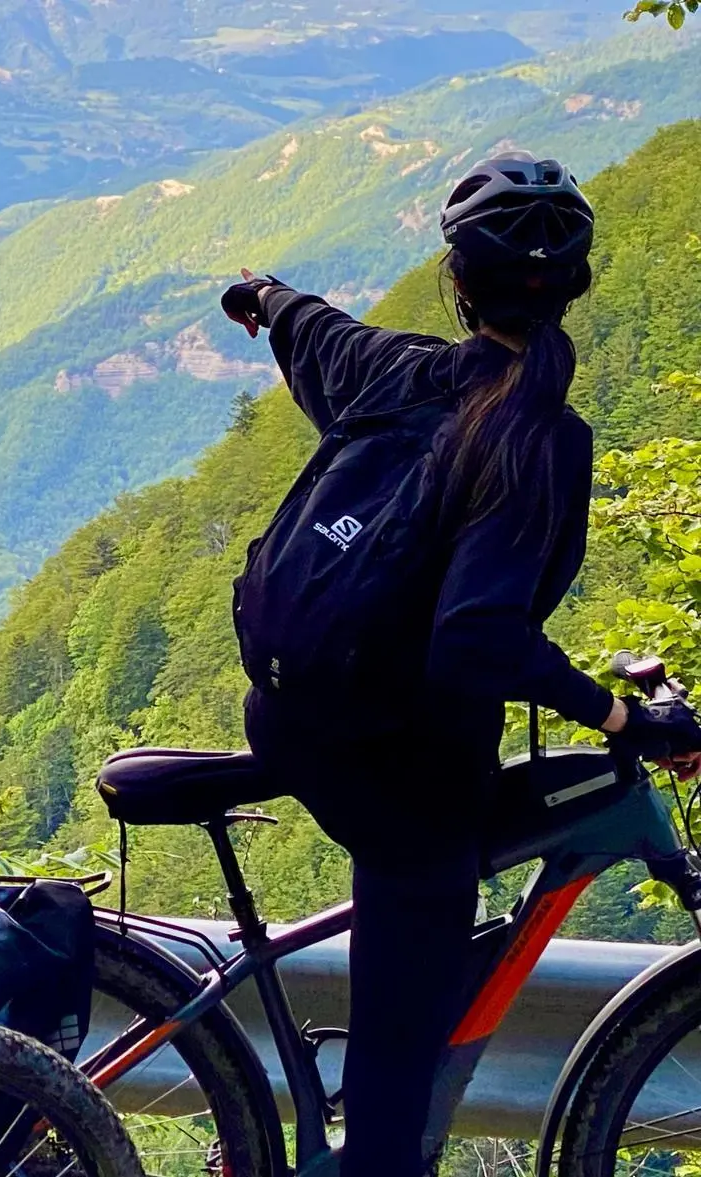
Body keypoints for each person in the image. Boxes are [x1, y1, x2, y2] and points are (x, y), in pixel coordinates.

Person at [221, 152, 701, 1176]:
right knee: (401, 1042)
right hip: (392, 761)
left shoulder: (395, 371)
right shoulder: (538, 438)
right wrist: (622, 720)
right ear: (576, 288)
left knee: (450, 866)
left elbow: (314, 329)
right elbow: (476, 636)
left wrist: (262, 298)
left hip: (298, 710)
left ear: (455, 281)